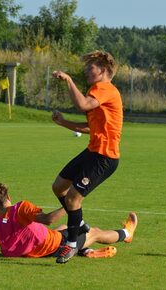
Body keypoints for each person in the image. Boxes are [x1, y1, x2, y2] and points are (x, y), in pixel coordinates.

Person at [51, 50, 131, 264]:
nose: (86, 70)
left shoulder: (103, 89)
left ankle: (72, 245)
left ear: (103, 71)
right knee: (59, 187)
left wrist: (67, 79)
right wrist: (64, 122)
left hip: (104, 158)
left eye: (91, 67)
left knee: (73, 198)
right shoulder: (100, 91)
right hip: (93, 152)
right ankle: (81, 224)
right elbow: (91, 128)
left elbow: (83, 105)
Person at [0, 183, 138, 260]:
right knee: (93, 231)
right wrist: (71, 204)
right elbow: (49, 219)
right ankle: (127, 234)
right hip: (55, 246)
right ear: (8, 195)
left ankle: (85, 250)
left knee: (66, 228)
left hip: (35, 251)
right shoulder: (21, 208)